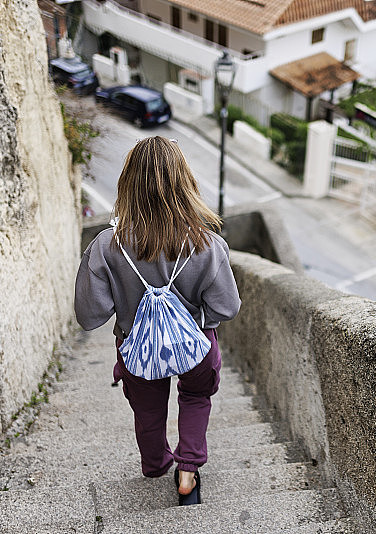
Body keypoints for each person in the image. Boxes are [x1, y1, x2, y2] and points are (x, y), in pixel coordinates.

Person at [74, 136, 240, 505]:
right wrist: (191, 320)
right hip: (195, 345)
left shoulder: (106, 245)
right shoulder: (208, 244)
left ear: (127, 183)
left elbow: (89, 316)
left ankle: (155, 463)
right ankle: (187, 469)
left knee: (148, 409)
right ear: (185, 182)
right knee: (196, 396)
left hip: (136, 348)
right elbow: (226, 308)